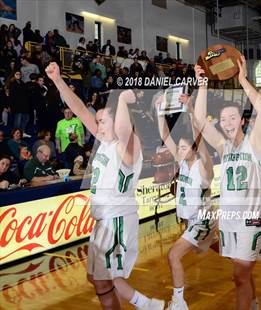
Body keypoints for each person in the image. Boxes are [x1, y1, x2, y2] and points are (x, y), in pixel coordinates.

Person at [45, 62, 164, 310]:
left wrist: (121, 101)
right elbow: (79, 109)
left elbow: (121, 127)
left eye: (102, 121)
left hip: (117, 220)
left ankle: (144, 304)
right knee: (96, 278)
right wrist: (58, 81)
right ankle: (145, 304)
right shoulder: (106, 141)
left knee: (103, 280)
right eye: (97, 121)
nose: (97, 126)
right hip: (103, 220)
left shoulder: (129, 144)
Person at [194, 57, 261, 310]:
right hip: (229, 219)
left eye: (232, 118)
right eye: (223, 119)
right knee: (242, 274)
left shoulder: (254, 142)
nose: (226, 123)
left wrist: (242, 80)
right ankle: (254, 303)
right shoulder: (222, 147)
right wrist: (202, 85)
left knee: (239, 274)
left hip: (252, 218)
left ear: (242, 121)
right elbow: (200, 121)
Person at [156, 93, 217, 310]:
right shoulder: (182, 162)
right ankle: (240, 258)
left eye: (184, 148)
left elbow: (199, 139)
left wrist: (190, 111)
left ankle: (179, 302)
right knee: (218, 246)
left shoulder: (202, 165)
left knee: (173, 255)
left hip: (203, 219)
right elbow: (165, 136)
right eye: (179, 148)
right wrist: (159, 111)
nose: (179, 151)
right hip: (192, 221)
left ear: (193, 150)